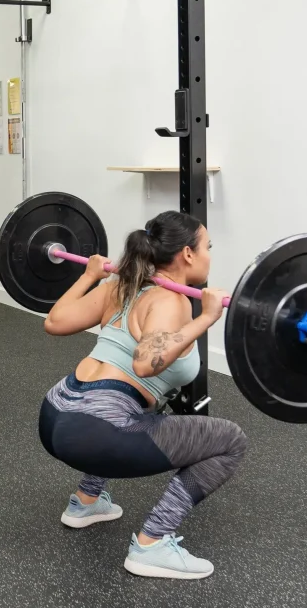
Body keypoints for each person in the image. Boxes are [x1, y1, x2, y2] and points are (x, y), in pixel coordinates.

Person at [38, 211, 248, 580]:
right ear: (186, 254)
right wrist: (206, 317)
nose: (209, 256)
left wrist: (89, 277)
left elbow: (54, 321)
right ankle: (153, 543)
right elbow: (146, 363)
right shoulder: (171, 301)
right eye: (207, 248)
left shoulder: (121, 286)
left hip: (56, 413)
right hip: (94, 430)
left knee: (127, 411)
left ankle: (87, 501)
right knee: (230, 440)